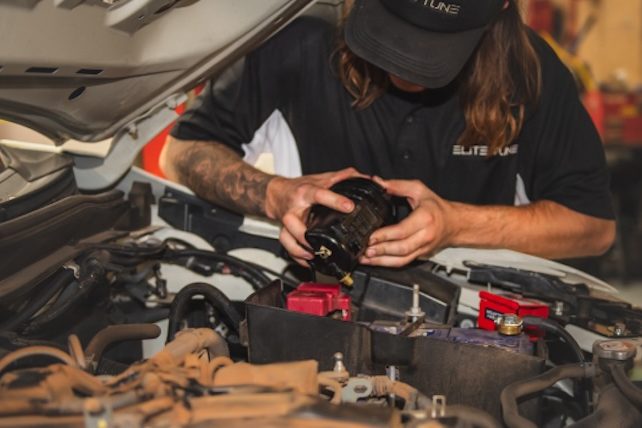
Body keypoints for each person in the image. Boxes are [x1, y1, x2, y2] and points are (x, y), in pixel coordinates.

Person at [160, 0, 615, 269]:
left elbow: (593, 229)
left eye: (431, 44)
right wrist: (274, 194)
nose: (402, 63)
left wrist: (457, 225)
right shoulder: (297, 41)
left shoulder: (530, 71)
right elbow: (180, 153)